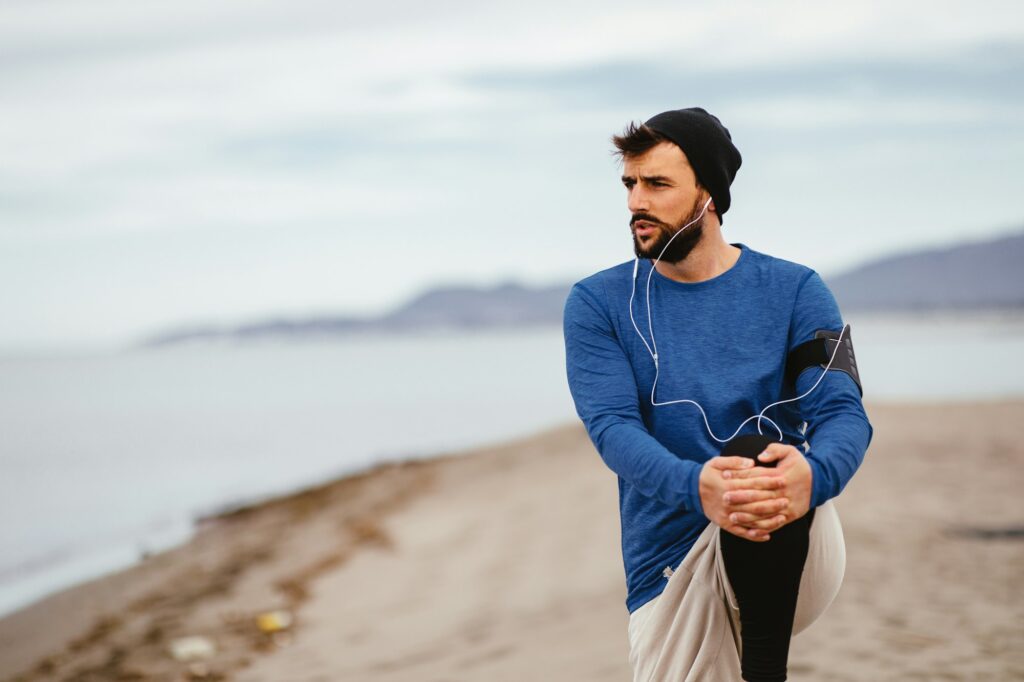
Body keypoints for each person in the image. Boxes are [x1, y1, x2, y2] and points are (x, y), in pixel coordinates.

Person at [562, 107, 873, 681]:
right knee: (743, 469)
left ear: (709, 194)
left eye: (657, 184)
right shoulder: (597, 303)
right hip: (671, 564)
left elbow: (841, 411)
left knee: (758, 458)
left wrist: (817, 474)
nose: (636, 203)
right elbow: (613, 429)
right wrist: (695, 486)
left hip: (789, 527)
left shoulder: (795, 290)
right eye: (630, 184)